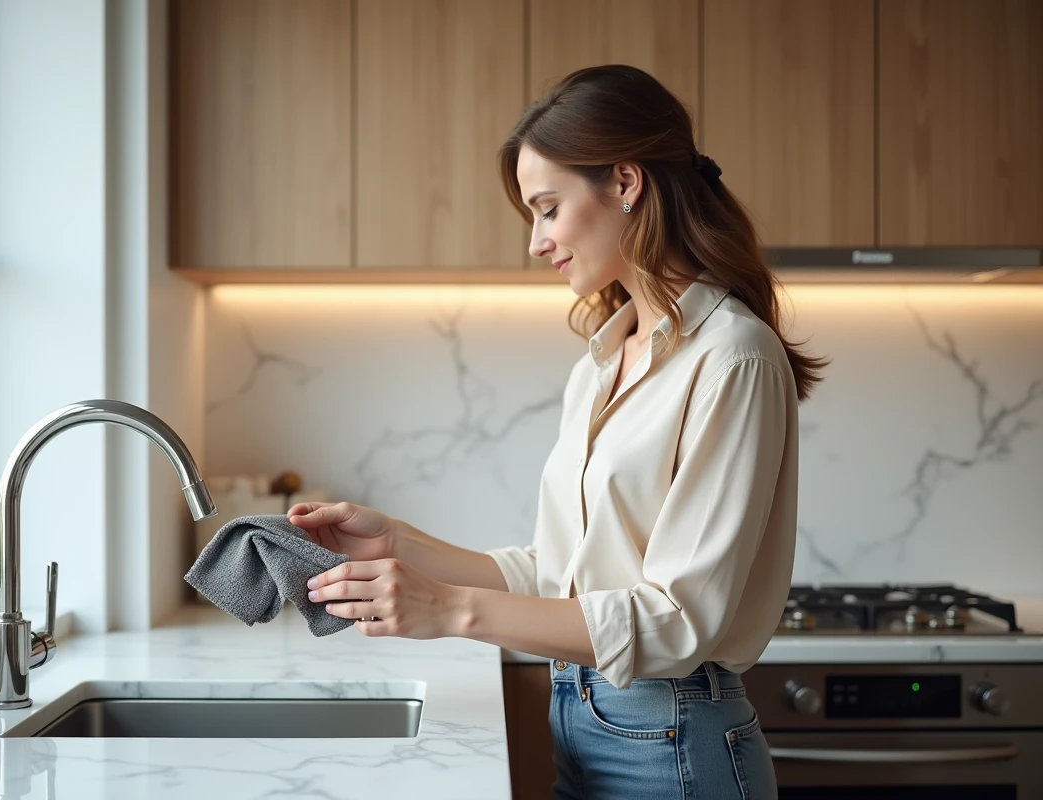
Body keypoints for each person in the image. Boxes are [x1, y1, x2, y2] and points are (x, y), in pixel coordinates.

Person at [287, 64, 826, 799]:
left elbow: (681, 618)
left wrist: (449, 610)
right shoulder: (603, 362)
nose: (537, 242)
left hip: (671, 742)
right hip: (578, 721)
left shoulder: (733, 356)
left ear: (626, 183)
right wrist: (398, 544)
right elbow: (561, 574)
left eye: (547, 207)